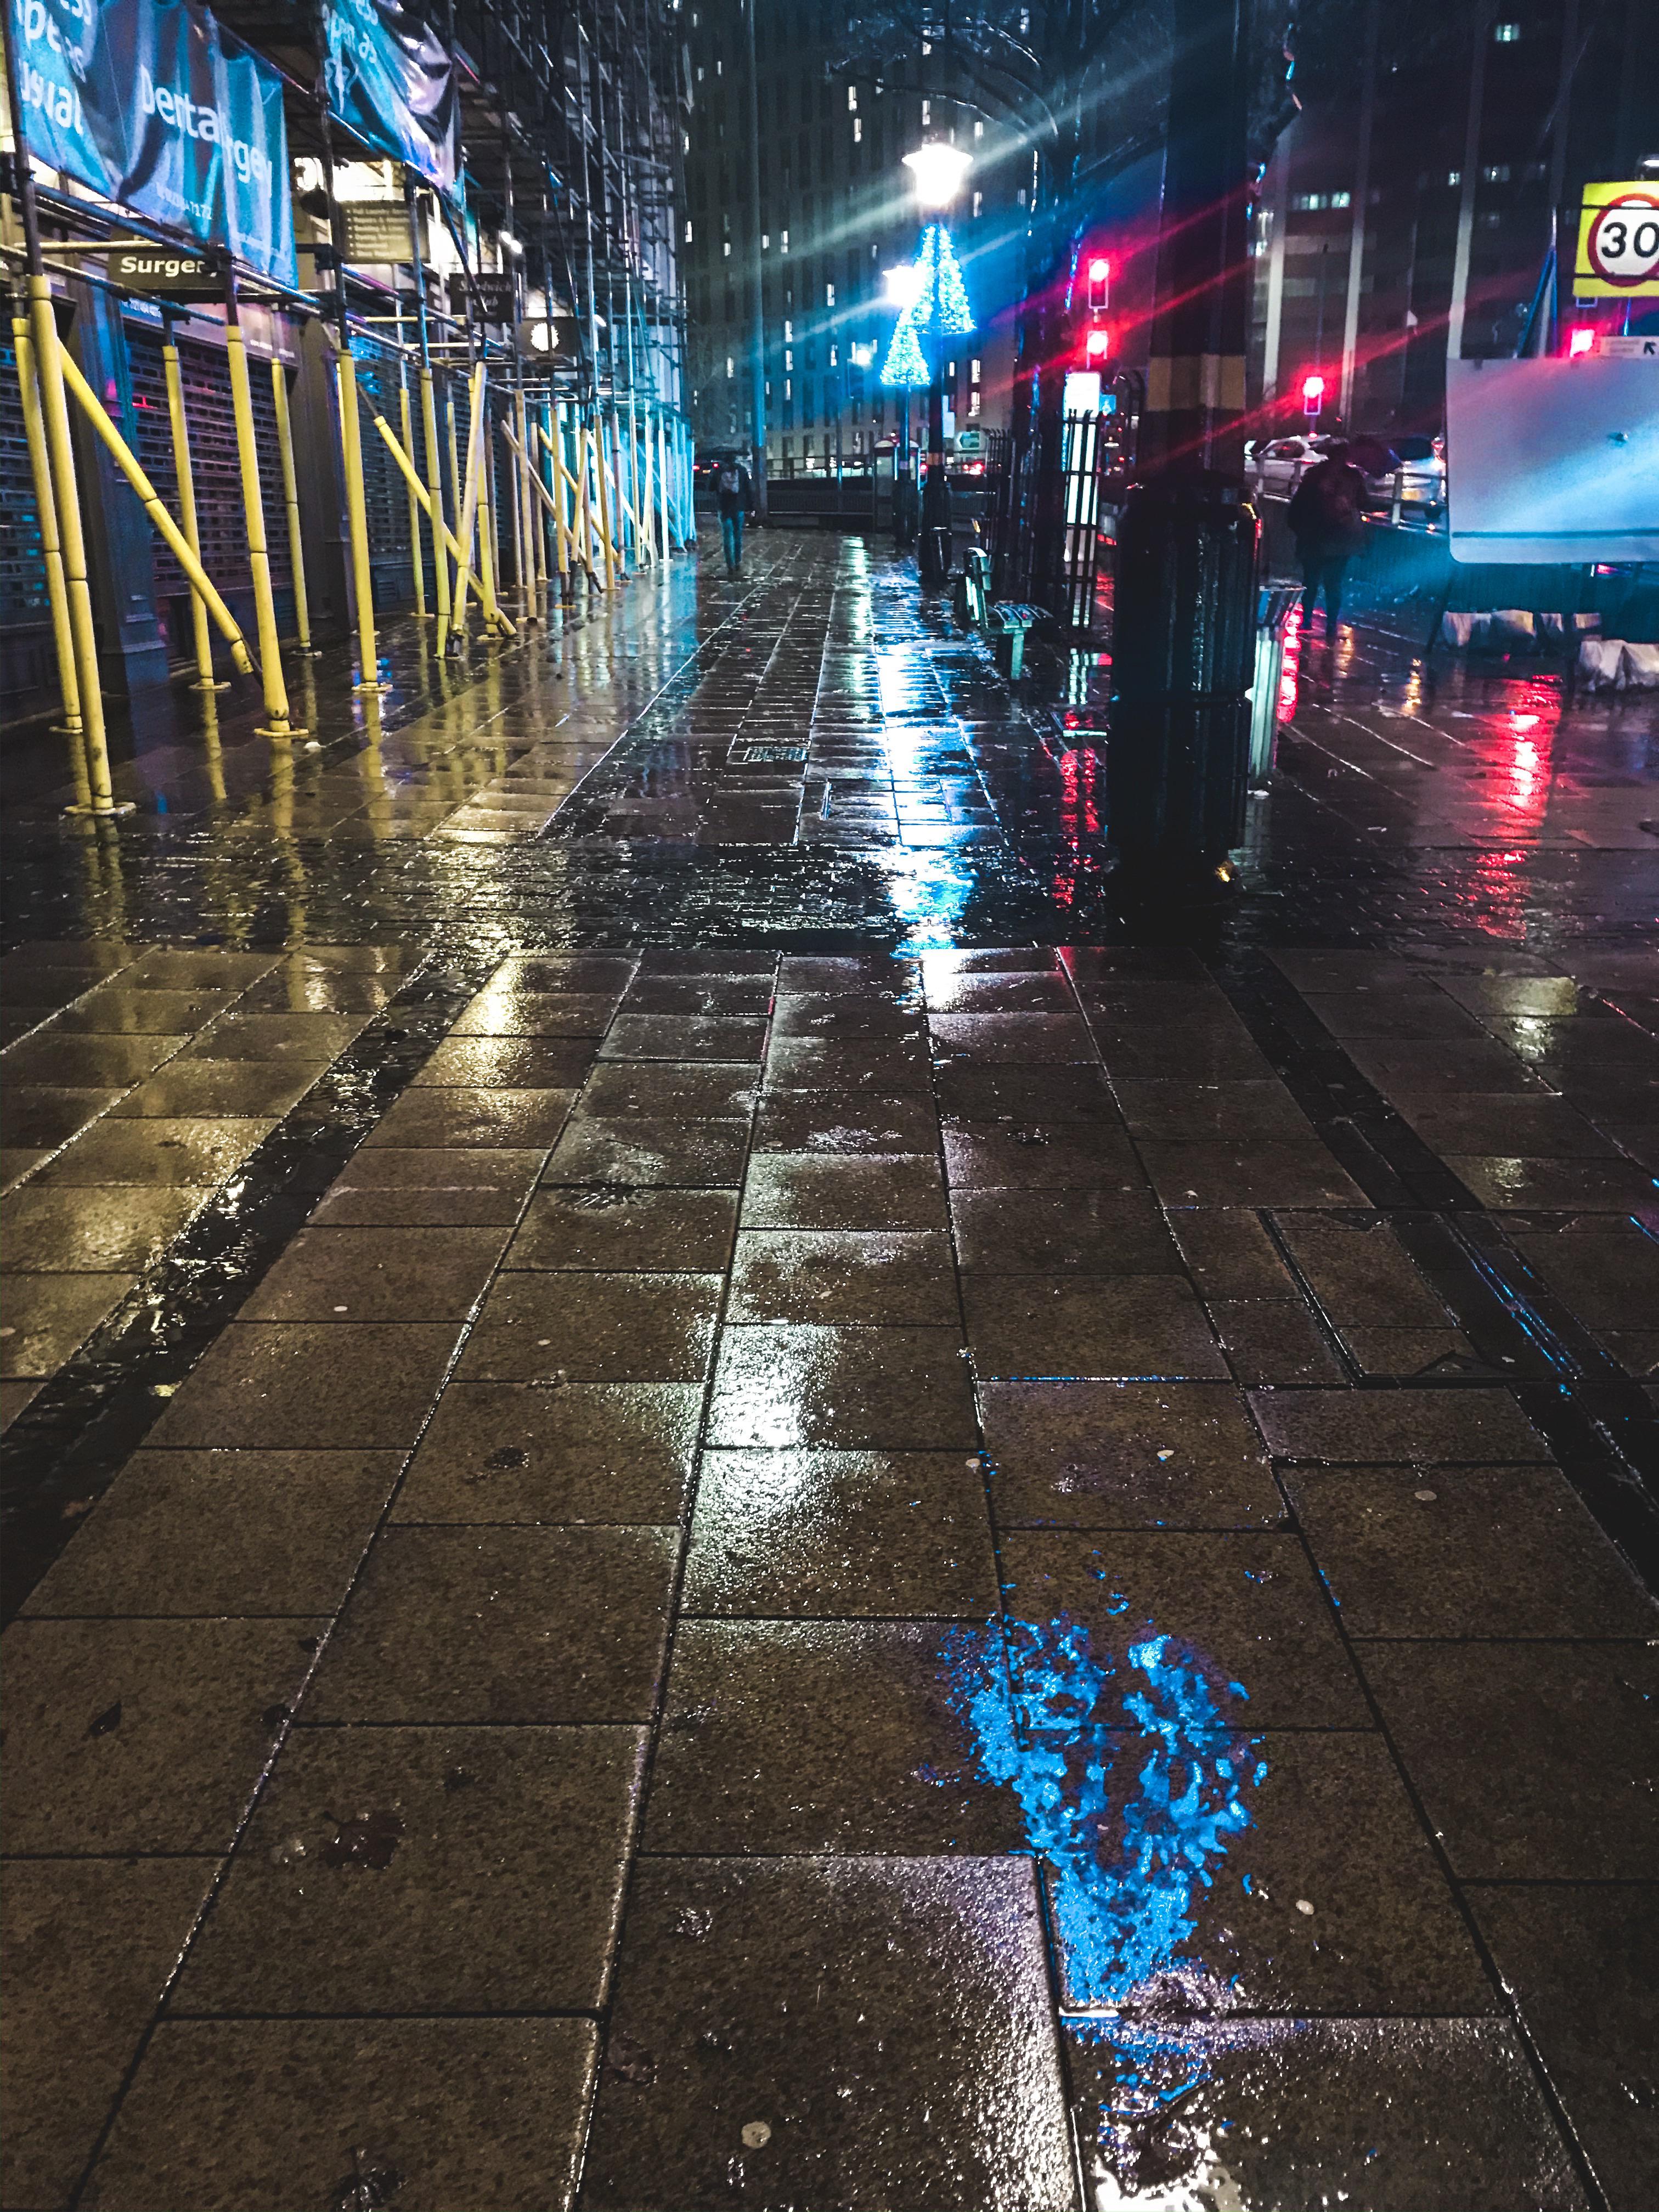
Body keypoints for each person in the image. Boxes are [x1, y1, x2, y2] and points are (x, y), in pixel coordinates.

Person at [1287, 439, 1368, 636]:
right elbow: (1366, 502)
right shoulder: (1354, 478)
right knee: (1334, 583)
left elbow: (1298, 506)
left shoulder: (1314, 475)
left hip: (1314, 536)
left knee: (1311, 581)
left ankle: (1306, 620)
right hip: (1342, 539)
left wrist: (1298, 528)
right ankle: (1331, 625)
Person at [715, 452, 755, 577]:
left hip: (724, 507)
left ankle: (730, 565)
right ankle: (738, 562)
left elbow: (709, 487)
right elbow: (749, 489)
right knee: (738, 535)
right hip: (739, 507)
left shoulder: (718, 470)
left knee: (727, 536)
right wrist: (752, 507)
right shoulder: (742, 470)